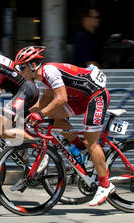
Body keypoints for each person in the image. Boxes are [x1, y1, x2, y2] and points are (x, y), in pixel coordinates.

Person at [15, 46, 114, 206]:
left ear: (33, 66)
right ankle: (81, 149)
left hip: (96, 95)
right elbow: (46, 100)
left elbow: (61, 99)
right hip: (82, 98)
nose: (20, 72)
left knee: (92, 142)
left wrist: (40, 114)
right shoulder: (43, 77)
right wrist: (25, 113)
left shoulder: (49, 71)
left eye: (22, 67)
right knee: (53, 115)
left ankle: (105, 185)